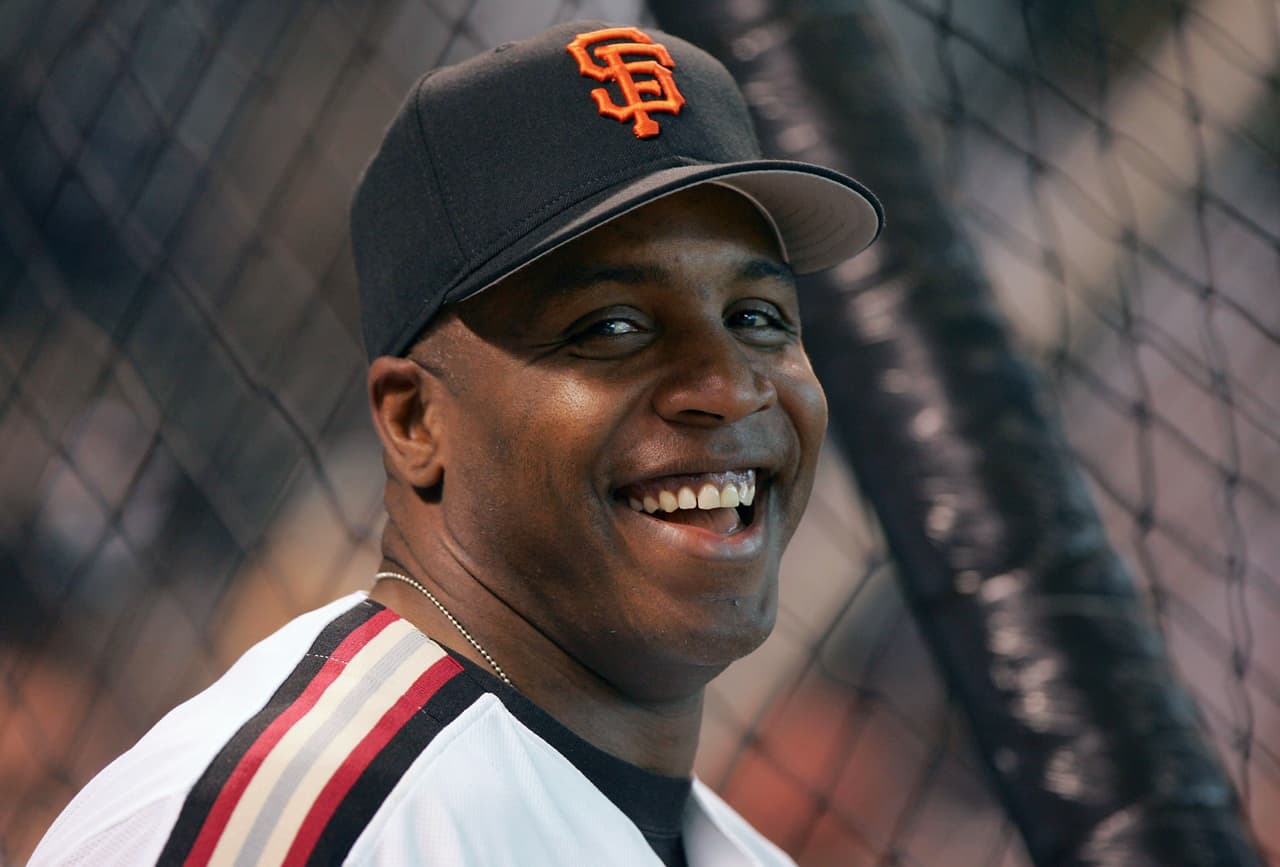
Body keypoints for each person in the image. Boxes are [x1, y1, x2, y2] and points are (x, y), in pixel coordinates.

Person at [31, 20, 881, 866]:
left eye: (758, 318)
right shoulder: (308, 826)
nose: (731, 385)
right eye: (612, 326)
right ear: (414, 421)